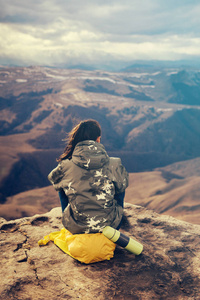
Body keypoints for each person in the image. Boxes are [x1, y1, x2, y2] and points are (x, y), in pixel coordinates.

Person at [48, 119, 129, 234]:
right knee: (120, 182)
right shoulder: (114, 164)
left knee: (61, 183)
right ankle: (109, 214)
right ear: (98, 139)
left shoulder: (66, 165)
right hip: (111, 227)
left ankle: (72, 215)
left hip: (75, 227)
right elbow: (123, 185)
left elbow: (53, 179)